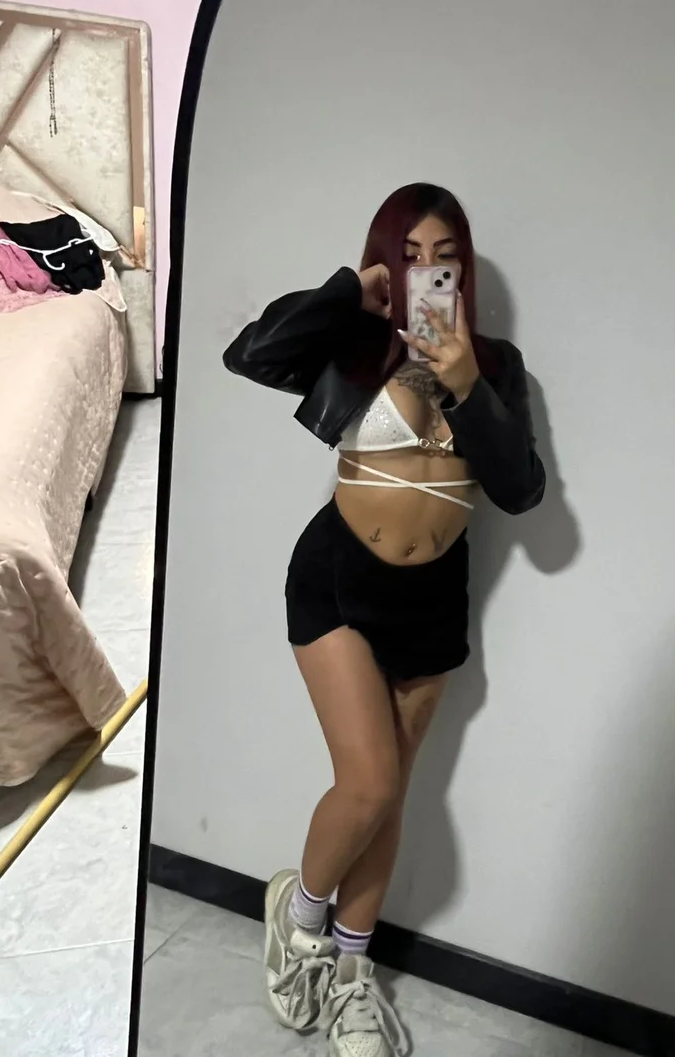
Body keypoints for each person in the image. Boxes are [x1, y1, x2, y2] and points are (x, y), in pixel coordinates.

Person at [223, 183, 545, 1057]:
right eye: (409, 257)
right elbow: (250, 353)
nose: (428, 271)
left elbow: (520, 490)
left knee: (390, 794)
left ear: (464, 268)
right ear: (384, 263)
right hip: (336, 578)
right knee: (366, 782)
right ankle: (299, 923)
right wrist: (347, 293)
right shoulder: (357, 343)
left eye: (444, 256)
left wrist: (468, 383)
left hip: (433, 600)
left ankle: (353, 975)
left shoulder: (498, 367)